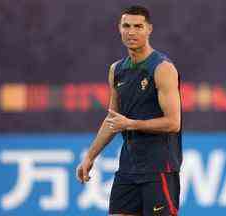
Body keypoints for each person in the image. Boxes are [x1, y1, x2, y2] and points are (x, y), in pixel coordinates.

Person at [76, 5, 182, 216]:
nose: (131, 31)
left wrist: (131, 124)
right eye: (126, 26)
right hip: (128, 167)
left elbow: (173, 123)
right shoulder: (117, 70)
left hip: (159, 167)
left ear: (149, 29)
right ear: (119, 28)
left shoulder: (162, 68)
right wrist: (90, 156)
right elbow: (112, 119)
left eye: (138, 26)